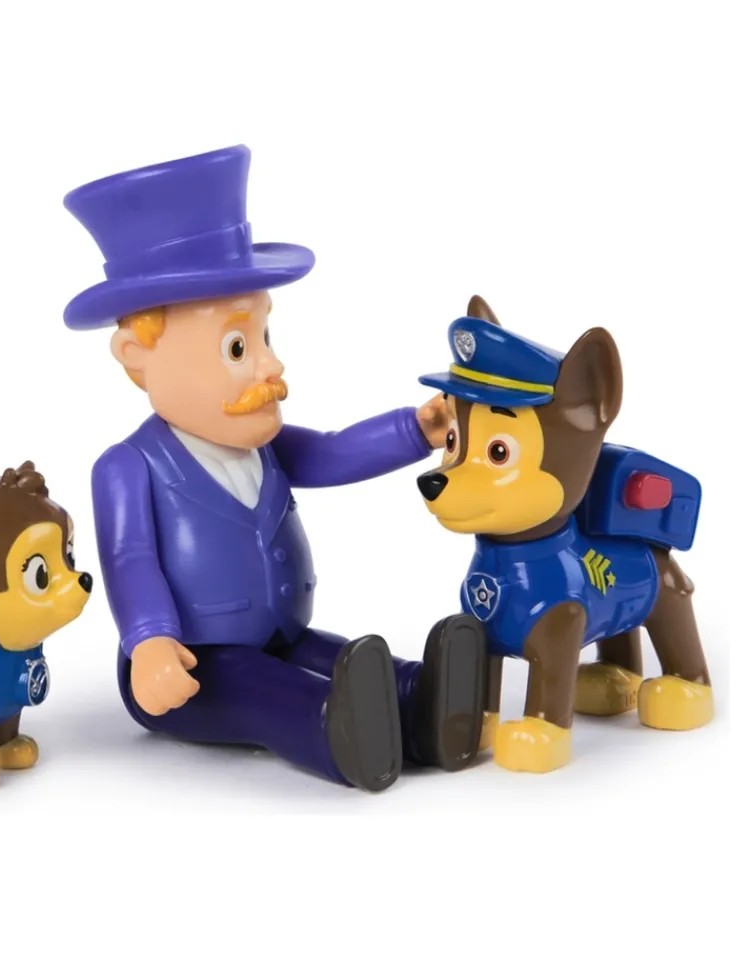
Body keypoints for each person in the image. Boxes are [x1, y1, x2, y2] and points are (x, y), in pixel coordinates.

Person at [62, 145, 486, 791]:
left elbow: (334, 452)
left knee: (336, 656)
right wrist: (149, 642)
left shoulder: (265, 446)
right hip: (189, 667)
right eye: (238, 346)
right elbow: (131, 562)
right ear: (136, 357)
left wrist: (413, 429)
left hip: (282, 631)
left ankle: (423, 704)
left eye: (266, 337)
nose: (271, 366)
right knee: (263, 688)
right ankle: (334, 733)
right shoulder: (127, 466)